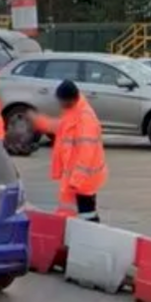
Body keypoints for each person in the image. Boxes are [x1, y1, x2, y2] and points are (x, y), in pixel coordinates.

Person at [32, 80, 107, 220]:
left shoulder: (85, 119)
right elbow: (61, 128)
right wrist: (39, 121)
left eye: (60, 101)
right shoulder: (73, 111)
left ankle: (91, 238)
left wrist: (76, 181)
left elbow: (86, 154)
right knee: (72, 214)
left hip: (83, 180)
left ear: (69, 100)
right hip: (74, 178)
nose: (59, 104)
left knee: (87, 215)